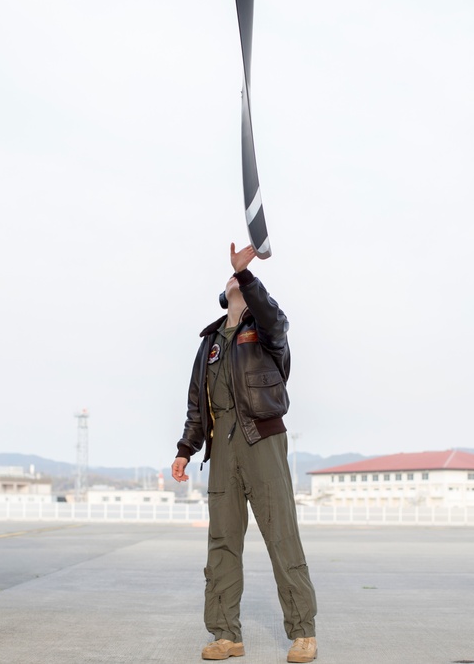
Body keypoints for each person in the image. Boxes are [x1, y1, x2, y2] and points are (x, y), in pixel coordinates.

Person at [171, 243, 318, 663]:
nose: (235, 279)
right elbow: (198, 405)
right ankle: (226, 634)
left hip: (262, 440)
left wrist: (248, 274)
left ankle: (303, 632)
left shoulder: (266, 330)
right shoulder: (210, 343)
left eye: (241, 281)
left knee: (281, 535)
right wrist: (186, 449)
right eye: (232, 279)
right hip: (223, 447)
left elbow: (275, 318)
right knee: (221, 542)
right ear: (224, 293)